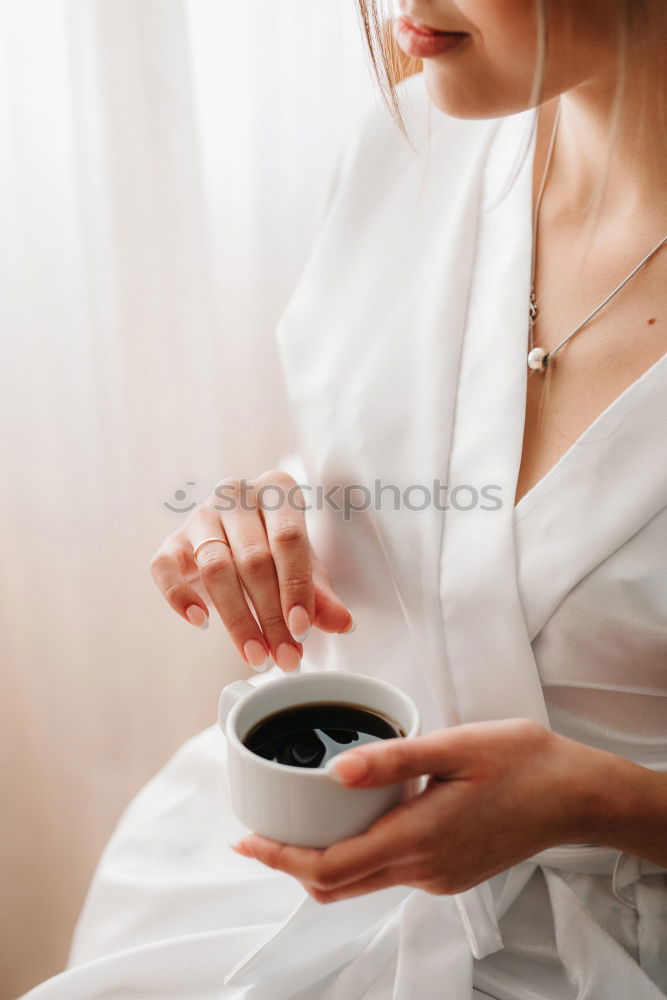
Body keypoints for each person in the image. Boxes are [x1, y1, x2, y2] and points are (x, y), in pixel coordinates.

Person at [23, 0, 666, 997]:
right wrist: (282, 503)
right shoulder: (414, 147)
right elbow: (434, 476)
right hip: (270, 879)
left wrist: (605, 802)